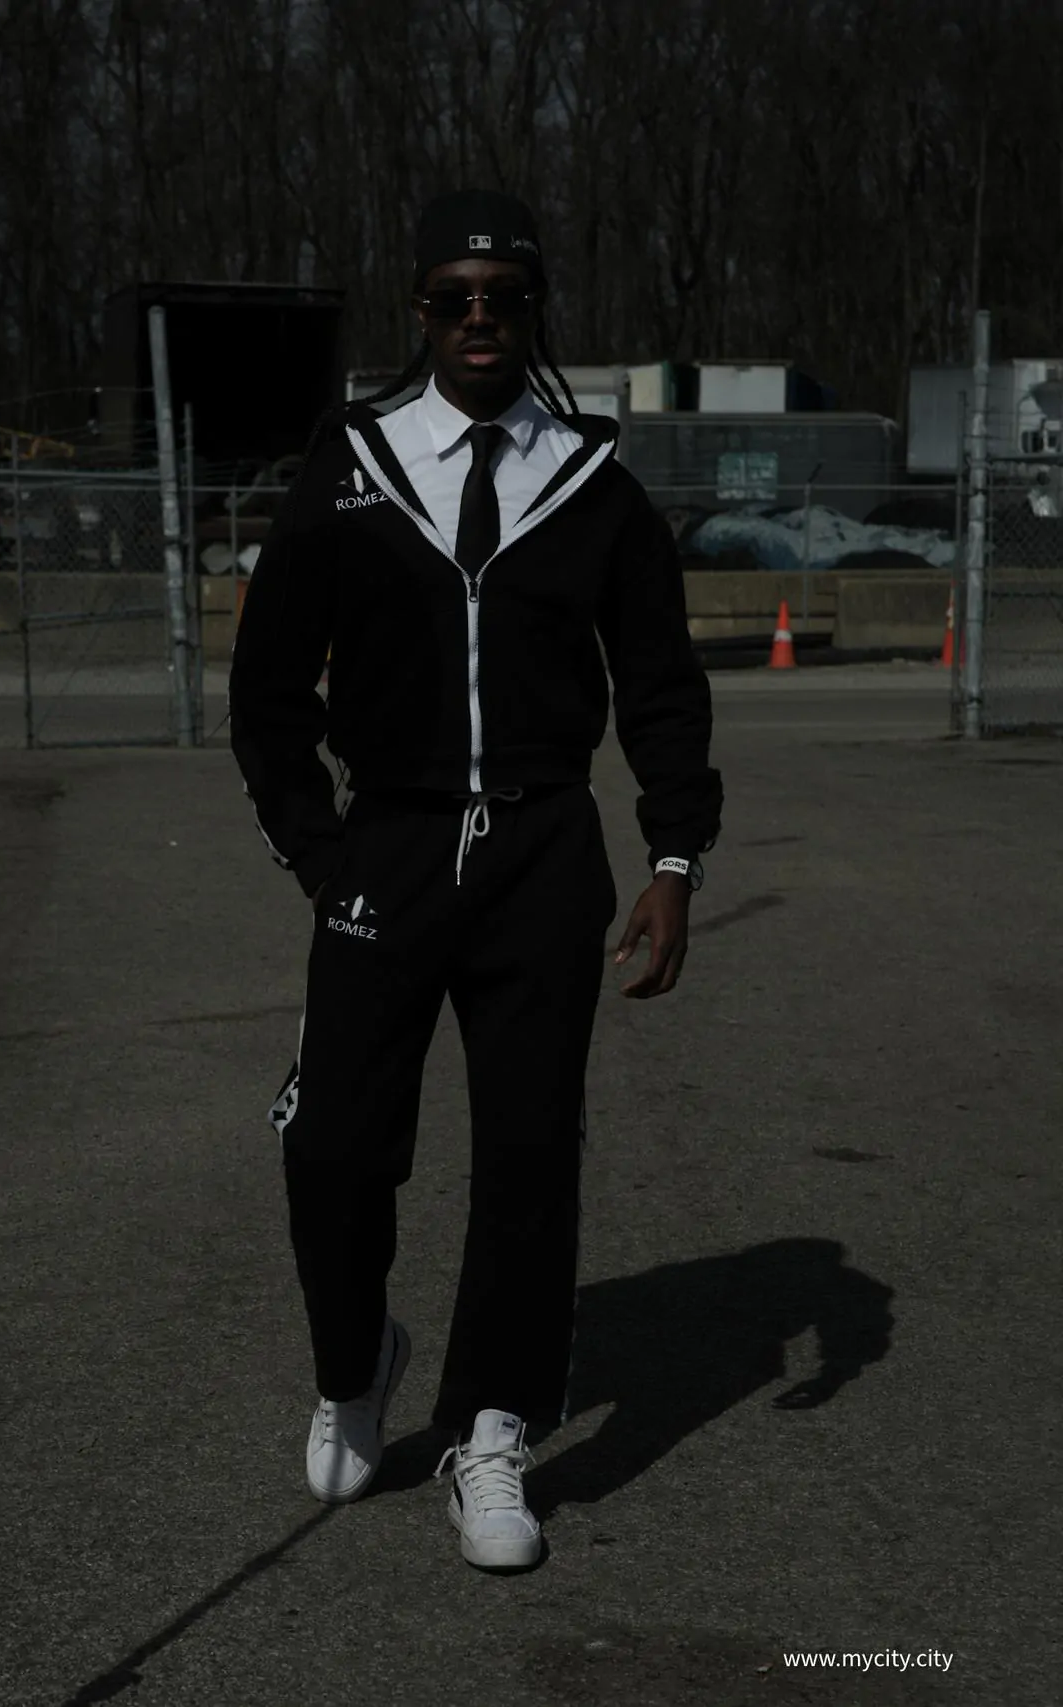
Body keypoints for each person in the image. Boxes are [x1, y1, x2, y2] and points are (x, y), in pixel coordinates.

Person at [228, 189, 722, 1571]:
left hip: (543, 854)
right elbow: (267, 690)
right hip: (384, 849)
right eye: (454, 297)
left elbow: (662, 687)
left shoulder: (594, 483)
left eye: (503, 296)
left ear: (536, 310)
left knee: (527, 1152)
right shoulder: (351, 466)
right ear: (422, 313)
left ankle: (489, 1430)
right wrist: (319, 852)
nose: (480, 318)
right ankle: (355, 1362)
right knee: (332, 1147)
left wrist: (674, 856)